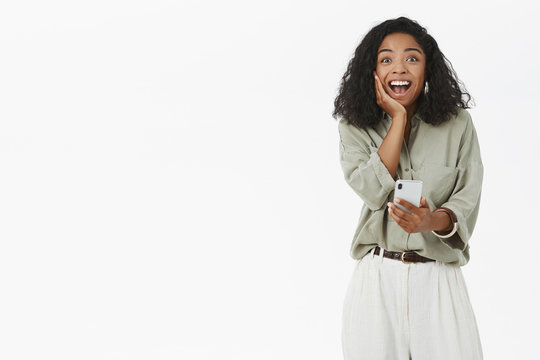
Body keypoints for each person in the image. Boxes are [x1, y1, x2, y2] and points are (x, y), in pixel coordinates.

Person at [332, 17, 484, 360]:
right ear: (371, 70)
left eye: (411, 58)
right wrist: (398, 119)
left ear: (428, 68)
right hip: (377, 281)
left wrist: (429, 222)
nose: (399, 68)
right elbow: (372, 188)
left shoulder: (457, 124)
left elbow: (467, 198)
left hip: (438, 279)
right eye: (386, 59)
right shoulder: (354, 127)